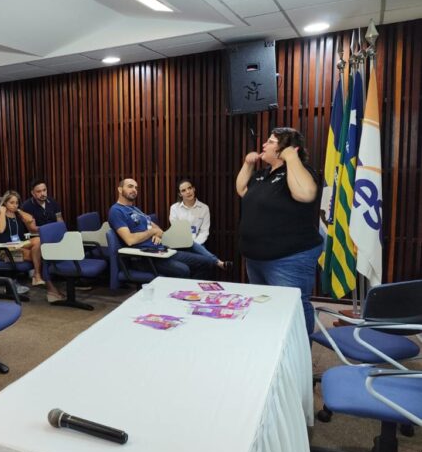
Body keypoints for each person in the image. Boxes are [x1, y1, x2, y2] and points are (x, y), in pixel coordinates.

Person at [236, 127, 322, 334]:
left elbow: (305, 194)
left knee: (293, 308)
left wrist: (292, 157)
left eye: (271, 142)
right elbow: (242, 190)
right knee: (267, 307)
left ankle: (300, 360)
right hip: (256, 259)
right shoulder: (262, 175)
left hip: (289, 259)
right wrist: (248, 164)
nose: (264, 145)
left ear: (288, 150)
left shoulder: (300, 171)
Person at [109, 178, 215, 279]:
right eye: (130, 186)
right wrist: (152, 232)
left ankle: (191, 292)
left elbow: (157, 229)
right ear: (120, 189)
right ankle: (183, 294)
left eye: (136, 188)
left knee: (207, 262)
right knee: (184, 270)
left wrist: (156, 234)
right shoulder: (116, 211)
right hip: (145, 257)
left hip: (162, 250)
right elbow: (130, 240)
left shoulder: (135, 209)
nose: (134, 190)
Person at [0, 191, 64, 301]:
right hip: (6, 251)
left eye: (17, 203)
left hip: (20, 245)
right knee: (41, 256)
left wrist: (18, 210)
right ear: (5, 203)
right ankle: (46, 285)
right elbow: (1, 229)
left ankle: (37, 275)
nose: (15, 205)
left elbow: (30, 219)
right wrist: (2, 212)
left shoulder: (17, 213)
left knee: (39, 241)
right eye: (11, 203)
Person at [169, 179, 231, 270]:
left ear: (194, 189)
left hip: (198, 244)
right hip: (180, 244)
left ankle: (215, 262)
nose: (188, 192)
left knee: (204, 260)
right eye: (183, 190)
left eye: (189, 188)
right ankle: (218, 262)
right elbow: (178, 230)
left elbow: (204, 231)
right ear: (180, 194)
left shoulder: (204, 208)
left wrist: (195, 244)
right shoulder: (174, 208)